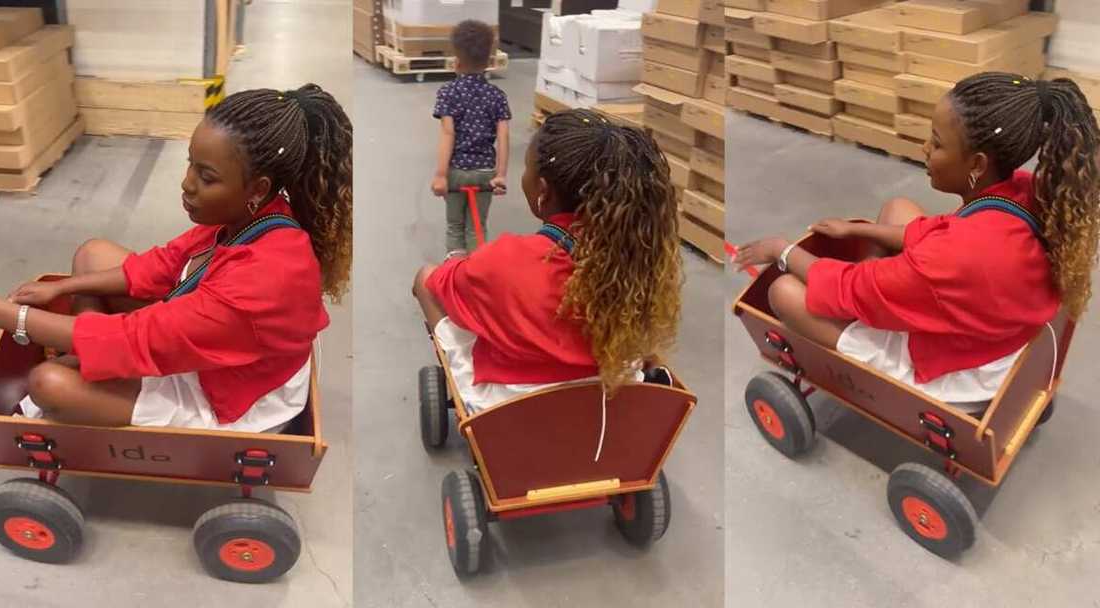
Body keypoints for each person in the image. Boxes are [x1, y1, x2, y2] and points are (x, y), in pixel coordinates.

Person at [0, 84, 353, 431]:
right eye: (191, 164)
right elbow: (164, 264)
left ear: (258, 188)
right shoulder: (250, 214)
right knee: (93, 255)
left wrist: (6, 315)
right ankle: (89, 354)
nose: (187, 183)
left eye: (206, 177)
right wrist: (65, 286)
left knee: (48, 383)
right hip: (210, 343)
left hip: (231, 393)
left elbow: (139, 337)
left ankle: (87, 361)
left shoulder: (265, 278)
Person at [734, 72, 1100, 408]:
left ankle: (868, 327)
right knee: (898, 208)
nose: (925, 149)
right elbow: (943, 229)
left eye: (937, 143)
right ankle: (871, 287)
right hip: (1001, 336)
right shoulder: (1023, 189)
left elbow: (849, 286)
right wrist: (860, 230)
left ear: (977, 165)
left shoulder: (954, 256)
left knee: (781, 291)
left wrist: (782, 250)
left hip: (958, 371)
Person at [413, 108, 683, 414]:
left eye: (526, 167)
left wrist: (461, 263)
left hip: (514, 411)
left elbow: (444, 282)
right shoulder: (638, 258)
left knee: (425, 278)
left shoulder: (504, 260)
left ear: (543, 192)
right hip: (607, 402)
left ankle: (462, 393)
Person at [430, 19, 511, 257]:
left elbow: (448, 133)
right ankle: (477, 276)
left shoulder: (448, 93)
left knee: (455, 227)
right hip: (485, 172)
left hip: (456, 172)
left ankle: (454, 278)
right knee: (477, 227)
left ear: (456, 62)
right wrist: (501, 175)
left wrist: (441, 175)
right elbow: (503, 135)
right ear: (490, 62)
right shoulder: (497, 95)